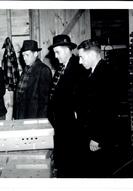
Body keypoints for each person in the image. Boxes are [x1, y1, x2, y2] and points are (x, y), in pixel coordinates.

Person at [47, 34, 89, 177]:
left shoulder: (79, 68)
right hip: (60, 125)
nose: (55, 56)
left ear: (67, 50)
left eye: (57, 52)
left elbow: (82, 99)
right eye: (54, 53)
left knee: (73, 166)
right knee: (63, 164)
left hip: (72, 128)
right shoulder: (61, 68)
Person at [77, 39, 119, 177]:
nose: (80, 62)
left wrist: (97, 137)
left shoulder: (106, 73)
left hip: (99, 138)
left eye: (81, 57)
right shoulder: (93, 72)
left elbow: (107, 109)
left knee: (100, 172)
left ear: (92, 54)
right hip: (92, 134)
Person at [13, 40, 52, 119]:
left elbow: (44, 102)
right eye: (23, 55)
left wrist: (41, 123)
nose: (24, 58)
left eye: (27, 55)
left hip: (34, 117)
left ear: (35, 54)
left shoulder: (43, 70)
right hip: (22, 116)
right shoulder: (26, 70)